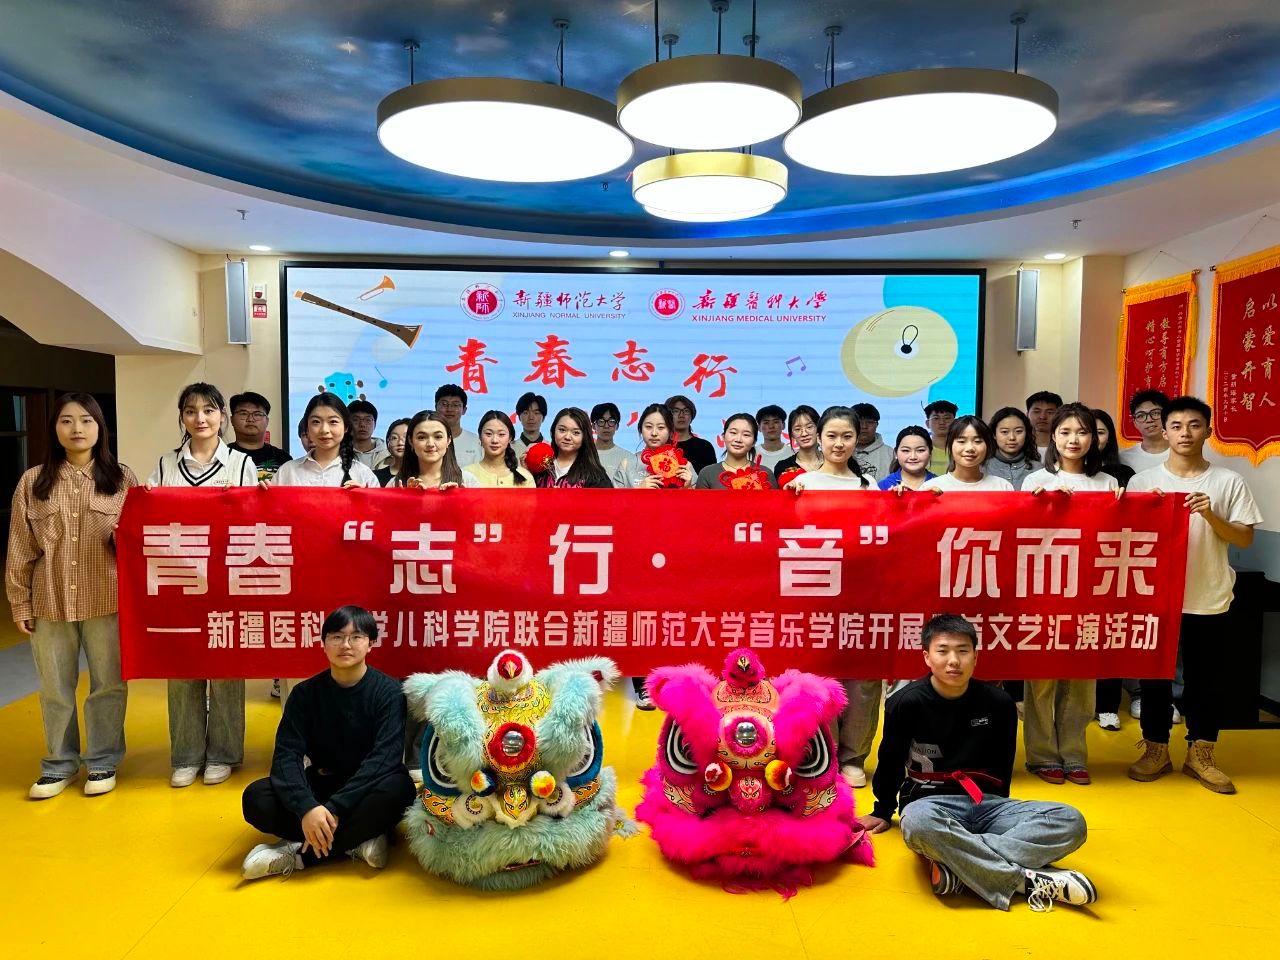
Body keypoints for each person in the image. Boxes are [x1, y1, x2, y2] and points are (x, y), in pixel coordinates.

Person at [858, 614, 1097, 913]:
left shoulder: (999, 703)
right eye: (943, 651)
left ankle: (958, 866)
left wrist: (995, 813)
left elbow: (1003, 765)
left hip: (987, 805)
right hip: (930, 806)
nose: (953, 660)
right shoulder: (906, 702)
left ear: (975, 657)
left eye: (962, 651)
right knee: (917, 825)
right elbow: (891, 758)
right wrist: (883, 809)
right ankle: (1021, 881)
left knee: (1070, 821)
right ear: (927, 657)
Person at [1126, 396, 1263, 794]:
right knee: (1154, 678)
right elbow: (1125, 537)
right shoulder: (1143, 482)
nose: (1185, 433)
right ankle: (1155, 748)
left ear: (1208, 431)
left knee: (1206, 679)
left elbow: (1244, 537)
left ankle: (1201, 753)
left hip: (1208, 594)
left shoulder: (1227, 482)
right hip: (1155, 597)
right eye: (1176, 426)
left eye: (1194, 425)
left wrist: (1209, 514)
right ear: (1164, 431)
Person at [7, 393, 137, 799]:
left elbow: (138, 545)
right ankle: (59, 764)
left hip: (108, 600)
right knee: (54, 688)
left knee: (108, 685)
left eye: (86, 420)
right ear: (55, 429)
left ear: (100, 428)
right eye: (66, 420)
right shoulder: (33, 482)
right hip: (50, 598)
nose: (76, 429)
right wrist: (19, 601)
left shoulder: (122, 480)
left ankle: (102, 760)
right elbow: (20, 547)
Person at [240, 605, 416, 880]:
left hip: (368, 787)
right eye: (337, 637)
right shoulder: (304, 694)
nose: (346, 645)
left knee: (400, 791)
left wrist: (334, 809)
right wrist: (307, 808)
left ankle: (299, 855)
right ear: (323, 644)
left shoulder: (389, 692)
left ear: (370, 644)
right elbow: (286, 755)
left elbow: (385, 759)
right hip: (324, 782)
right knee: (256, 797)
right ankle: (357, 839)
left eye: (356, 637)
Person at [148, 383, 256, 788]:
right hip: (178, 582)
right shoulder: (165, 464)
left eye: (209, 410)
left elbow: (253, 520)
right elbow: (149, 516)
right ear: (182, 418)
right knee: (182, 667)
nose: (200, 418)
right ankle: (186, 754)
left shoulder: (241, 464)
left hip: (227, 581)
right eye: (191, 411)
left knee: (225, 668)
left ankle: (224, 753)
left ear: (222, 416)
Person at [1019, 404, 1118, 785]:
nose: (1073, 440)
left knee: (1081, 682)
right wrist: (1040, 503)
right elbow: (1020, 534)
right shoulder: (1035, 480)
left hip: (1090, 593)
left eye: (1082, 432)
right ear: (1053, 437)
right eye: (1065, 432)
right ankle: (1042, 756)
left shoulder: (1107, 483)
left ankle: (1074, 754)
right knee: (1041, 681)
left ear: (1094, 438)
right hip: (1044, 592)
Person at [783, 408, 878, 788]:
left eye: (847, 436)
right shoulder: (802, 483)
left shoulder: (869, 486)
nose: (839, 444)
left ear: (857, 439)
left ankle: (854, 757)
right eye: (832, 436)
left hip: (861, 593)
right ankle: (825, 752)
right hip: (814, 594)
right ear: (819, 439)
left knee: (863, 682)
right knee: (819, 678)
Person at [1091, 407, 1141, 732]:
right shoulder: (1054, 475)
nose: (1090, 438)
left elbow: (1138, 518)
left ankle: (1107, 705)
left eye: (1098, 431)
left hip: (1110, 564)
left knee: (1108, 636)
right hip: (1073, 566)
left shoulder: (1122, 474)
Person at [273, 393, 380, 489]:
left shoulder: (363, 475)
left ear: (346, 427)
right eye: (316, 422)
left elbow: (379, 505)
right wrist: (265, 494)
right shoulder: (287, 471)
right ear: (307, 428)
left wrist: (364, 499)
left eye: (333, 421)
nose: (324, 430)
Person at [612, 402, 696, 490]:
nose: (654, 433)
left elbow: (700, 498)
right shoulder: (626, 464)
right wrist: (639, 491)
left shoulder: (684, 466)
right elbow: (613, 498)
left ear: (671, 432)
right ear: (640, 429)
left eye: (661, 427)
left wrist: (687, 488)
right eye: (648, 427)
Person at [921, 416, 1014, 493]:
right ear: (950, 445)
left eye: (978, 441)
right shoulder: (931, 488)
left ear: (987, 445)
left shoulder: (1002, 487)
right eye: (961, 441)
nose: (970, 448)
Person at [393, 410, 480, 490]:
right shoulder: (396, 483)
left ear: (448, 440)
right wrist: (405, 498)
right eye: (422, 437)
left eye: (438, 437)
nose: (430, 444)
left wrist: (463, 500)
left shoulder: (468, 481)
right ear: (411, 441)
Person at [694, 413, 778, 489]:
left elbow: (775, 501)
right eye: (733, 433)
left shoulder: (765, 473)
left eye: (746, 435)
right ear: (723, 436)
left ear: (754, 442)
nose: (738, 439)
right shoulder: (707, 473)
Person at [535, 407, 612, 488]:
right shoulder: (540, 465)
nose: (567, 437)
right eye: (562, 430)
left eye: (576, 432)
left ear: (585, 436)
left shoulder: (595, 475)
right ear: (553, 431)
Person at [228, 391, 290, 482]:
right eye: (243, 414)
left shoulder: (283, 458)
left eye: (257, 414)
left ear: (267, 421)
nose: (250, 419)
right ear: (232, 420)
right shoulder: (222, 455)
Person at [464, 410, 534, 488]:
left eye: (501, 434)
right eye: (488, 434)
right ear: (480, 436)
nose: (495, 440)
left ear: (510, 438)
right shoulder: (465, 474)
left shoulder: (525, 477)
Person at [985, 407, 1040, 490]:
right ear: (994, 434)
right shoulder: (981, 468)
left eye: (1018, 431)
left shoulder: (1038, 469)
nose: (1012, 437)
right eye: (1004, 432)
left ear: (1026, 433)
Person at [1120, 389, 1171, 474]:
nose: (1149, 420)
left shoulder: (1184, 453)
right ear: (1135, 423)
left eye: (1155, 413)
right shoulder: (1123, 458)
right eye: (1141, 416)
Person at [666, 394, 717, 474]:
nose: (681, 415)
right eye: (676, 411)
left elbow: (712, 478)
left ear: (692, 416)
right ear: (667, 415)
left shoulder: (705, 447)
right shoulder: (661, 445)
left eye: (686, 411)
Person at [435, 384, 482, 467]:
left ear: (464, 410)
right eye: (444, 404)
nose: (449, 409)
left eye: (455, 405)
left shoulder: (476, 441)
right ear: (436, 407)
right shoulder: (428, 440)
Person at [771, 404, 822, 482]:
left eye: (809, 427)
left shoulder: (833, 461)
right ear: (792, 434)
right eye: (797, 429)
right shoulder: (782, 467)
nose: (804, 433)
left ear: (819, 428)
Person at [878, 426, 935, 491]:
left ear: (930, 453)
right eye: (906, 450)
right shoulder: (882, 487)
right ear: (896, 453)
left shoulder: (940, 484)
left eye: (920, 450)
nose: (913, 457)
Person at [852, 402, 893, 482]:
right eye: (859, 422)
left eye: (870, 422)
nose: (864, 426)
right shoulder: (842, 451)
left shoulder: (890, 453)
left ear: (877, 425)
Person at [591, 402, 630, 480]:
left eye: (611, 421)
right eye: (601, 421)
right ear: (593, 426)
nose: (606, 426)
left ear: (617, 426)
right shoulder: (584, 455)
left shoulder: (627, 457)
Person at [347, 400, 386, 469]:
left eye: (368, 420)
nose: (362, 424)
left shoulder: (387, 453)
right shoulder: (337, 452)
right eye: (356, 420)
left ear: (375, 425)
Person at [924, 400, 958, 475]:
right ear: (927, 423)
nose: (942, 422)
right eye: (936, 418)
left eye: (947, 418)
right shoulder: (922, 450)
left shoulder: (961, 450)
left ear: (955, 422)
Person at [1025, 391, 1063, 460]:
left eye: (1050, 412)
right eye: (1036, 412)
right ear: (1027, 414)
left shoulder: (1065, 448)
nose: (1042, 417)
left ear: (1059, 416)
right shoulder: (1019, 446)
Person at [373, 418, 410, 487]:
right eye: (394, 438)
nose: (400, 442)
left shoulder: (424, 475)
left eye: (405, 437)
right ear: (388, 442)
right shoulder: (374, 477)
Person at [755, 404, 790, 472]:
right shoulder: (751, 454)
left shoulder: (794, 453)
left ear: (783, 425)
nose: (771, 426)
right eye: (766, 423)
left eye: (776, 422)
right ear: (759, 427)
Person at [513, 391, 547, 458]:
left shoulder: (551, 448)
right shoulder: (510, 449)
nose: (531, 417)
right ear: (519, 417)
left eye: (536, 413)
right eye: (526, 413)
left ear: (543, 418)